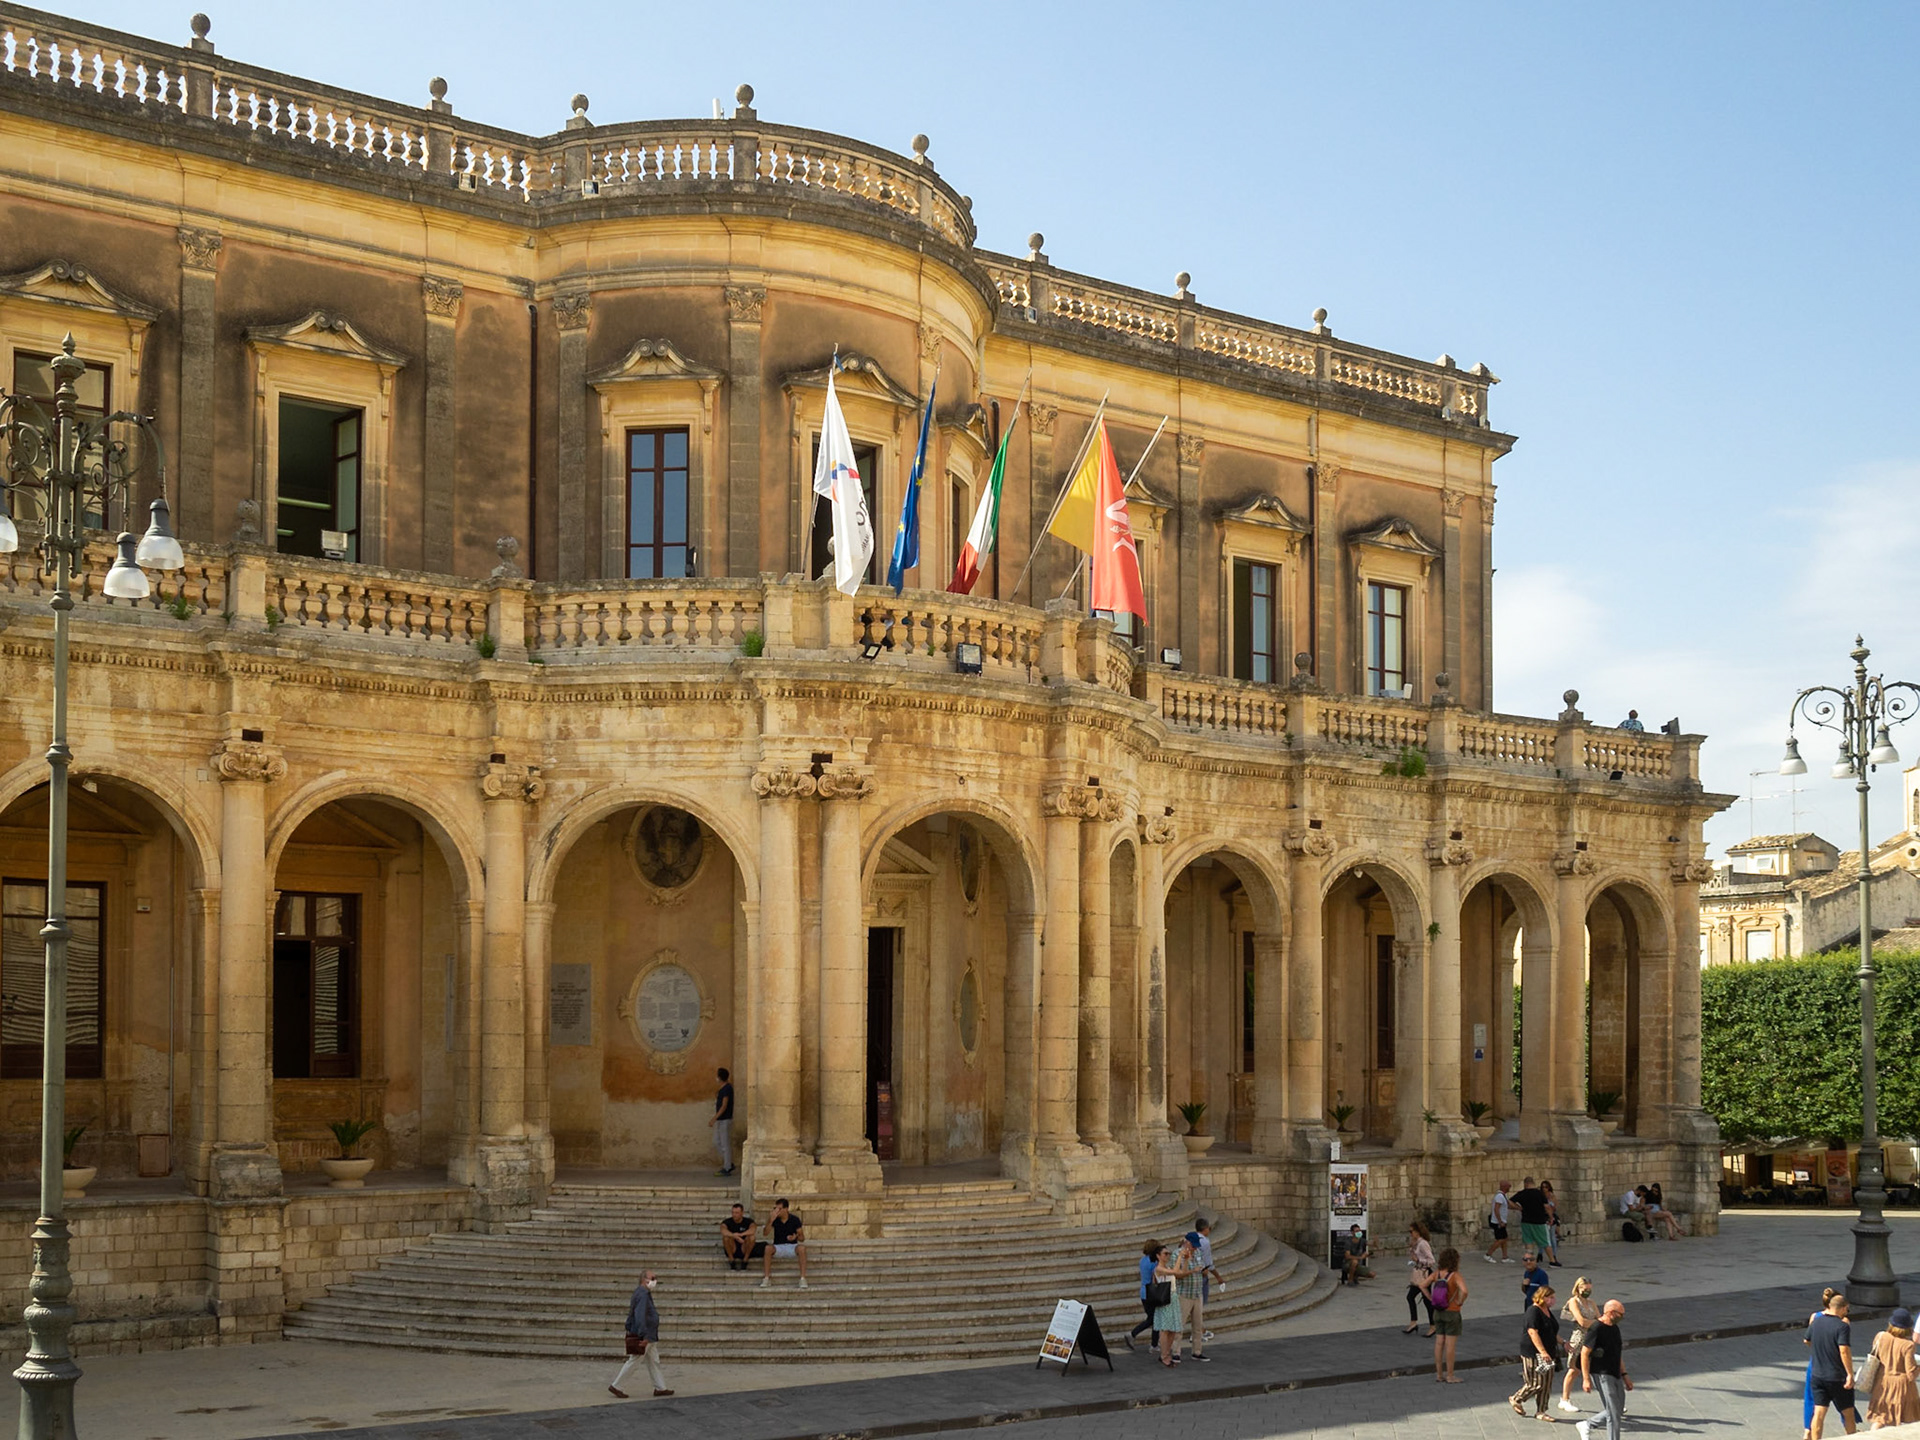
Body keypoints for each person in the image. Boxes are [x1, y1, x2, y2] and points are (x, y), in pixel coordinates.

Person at [608, 1270, 673, 1399]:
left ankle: (660, 1387)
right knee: (635, 1360)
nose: (655, 1280)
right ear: (645, 1279)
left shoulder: (642, 1292)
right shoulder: (643, 1294)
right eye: (653, 1277)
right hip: (645, 1334)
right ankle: (617, 1386)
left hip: (649, 1334)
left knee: (654, 1361)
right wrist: (644, 1336)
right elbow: (640, 1316)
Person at [1807, 1291, 1859, 1440]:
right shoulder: (1842, 1326)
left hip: (1817, 1375)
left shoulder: (1816, 1321)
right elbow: (1844, 1351)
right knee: (1848, 1413)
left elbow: (1807, 1340)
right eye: (1847, 1310)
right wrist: (1850, 1374)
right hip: (1837, 1376)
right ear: (1843, 1308)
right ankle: (1851, 1437)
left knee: (1819, 1413)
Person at [1578, 1300, 1632, 1440]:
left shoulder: (1614, 1328)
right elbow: (1584, 1353)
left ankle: (1588, 1423)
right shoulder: (1596, 1328)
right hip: (1601, 1373)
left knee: (1618, 1409)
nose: (1622, 1317)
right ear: (1611, 1312)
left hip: (1615, 1373)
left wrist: (1625, 1375)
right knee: (1613, 1413)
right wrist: (1586, 1379)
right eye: (1621, 1314)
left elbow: (1617, 1353)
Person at [1511, 1281, 1560, 1421]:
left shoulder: (1547, 1311)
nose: (1553, 1300)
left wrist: (1563, 1342)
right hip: (1533, 1352)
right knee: (1536, 1382)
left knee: (1547, 1383)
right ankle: (1516, 1398)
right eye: (1550, 1297)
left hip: (1549, 1352)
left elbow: (1550, 1331)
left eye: (1553, 1297)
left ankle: (1541, 1411)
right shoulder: (1533, 1311)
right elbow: (1533, 1332)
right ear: (1542, 1297)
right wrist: (1542, 1352)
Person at [1866, 1306, 1919, 1428]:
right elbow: (1911, 1374)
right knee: (1907, 1420)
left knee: (1881, 1418)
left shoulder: (1880, 1336)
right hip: (1902, 1387)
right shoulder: (1908, 1345)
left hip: (1882, 1382)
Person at [1421, 1246, 1468, 1383]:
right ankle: (1450, 1375)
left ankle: (1439, 1374)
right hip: (1452, 1311)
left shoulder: (1437, 1274)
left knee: (1439, 1342)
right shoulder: (1455, 1276)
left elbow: (1422, 1285)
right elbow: (1464, 1291)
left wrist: (1430, 1298)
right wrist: (1460, 1301)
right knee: (1450, 1345)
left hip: (1438, 1311)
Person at [1804, 1287, 1843, 1440]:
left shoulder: (1815, 1316)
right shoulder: (1843, 1321)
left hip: (1815, 1362)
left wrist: (1817, 1349)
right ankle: (1851, 1429)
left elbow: (1808, 1340)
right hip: (1833, 1366)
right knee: (1845, 1404)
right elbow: (1843, 1348)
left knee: (1812, 1400)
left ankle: (1808, 1432)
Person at [1559, 1277, 1600, 1413]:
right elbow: (1581, 1321)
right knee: (1575, 1369)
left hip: (1593, 1337)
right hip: (1579, 1338)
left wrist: (1597, 1323)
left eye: (1589, 1289)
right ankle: (1565, 1399)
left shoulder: (1591, 1303)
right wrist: (1597, 1324)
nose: (1587, 1291)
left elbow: (1599, 1317)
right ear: (1578, 1288)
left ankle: (1610, 1402)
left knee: (1598, 1369)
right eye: (1585, 1289)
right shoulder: (1573, 1301)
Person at [1184, 1218, 1223, 1358]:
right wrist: (1218, 1277)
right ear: (1205, 1229)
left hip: (1190, 1278)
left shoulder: (1188, 1238)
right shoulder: (1204, 1242)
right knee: (1198, 1305)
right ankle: (1197, 1331)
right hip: (1199, 1277)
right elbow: (1208, 1263)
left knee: (1195, 1306)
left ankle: (1201, 1330)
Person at [1151, 1241, 1190, 1368]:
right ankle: (1164, 1355)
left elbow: (1180, 1273)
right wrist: (1179, 1257)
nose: (1167, 1256)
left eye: (1168, 1253)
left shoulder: (1166, 1268)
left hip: (1172, 1297)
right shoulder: (1159, 1268)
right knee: (1165, 1329)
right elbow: (1175, 1271)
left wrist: (1186, 1260)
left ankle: (1166, 1353)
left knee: (1173, 1328)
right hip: (1165, 1297)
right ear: (1158, 1255)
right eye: (1165, 1254)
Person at [758, 1198, 808, 1289]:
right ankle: (766, 1278)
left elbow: (802, 1238)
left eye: (780, 1209)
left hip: (792, 1246)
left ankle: (803, 1278)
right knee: (767, 1248)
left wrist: (795, 1237)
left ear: (786, 1209)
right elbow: (765, 1233)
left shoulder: (794, 1219)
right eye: (776, 1208)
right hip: (778, 1246)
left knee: (802, 1248)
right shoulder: (775, 1219)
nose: (777, 1211)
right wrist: (771, 1220)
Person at [1404, 1219, 1437, 1335]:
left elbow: (1431, 1260)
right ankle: (1414, 1322)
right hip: (1418, 1273)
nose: (1410, 1234)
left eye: (1411, 1231)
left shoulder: (1423, 1244)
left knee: (1427, 1301)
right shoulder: (1416, 1243)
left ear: (1418, 1232)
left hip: (1424, 1275)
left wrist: (1418, 1260)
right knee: (1411, 1297)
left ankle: (1433, 1325)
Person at [1127, 1239, 1161, 1351]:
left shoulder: (1143, 1260)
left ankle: (1154, 1343)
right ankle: (1135, 1334)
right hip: (1151, 1292)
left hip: (1144, 1292)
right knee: (1154, 1319)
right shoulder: (1154, 1262)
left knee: (1153, 1318)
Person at [1514, 1177, 1554, 1261]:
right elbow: (1547, 1207)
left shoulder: (1522, 1193)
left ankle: (1530, 1258)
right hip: (1539, 1221)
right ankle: (1552, 1261)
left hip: (1526, 1221)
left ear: (1525, 1184)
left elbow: (1509, 1202)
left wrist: (1518, 1208)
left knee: (1528, 1241)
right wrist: (1551, 1217)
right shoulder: (1539, 1193)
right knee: (1545, 1242)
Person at [710, 1067, 735, 1176]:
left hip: (724, 1119)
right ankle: (728, 1162)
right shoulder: (723, 1088)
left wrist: (714, 1118)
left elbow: (724, 1105)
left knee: (724, 1144)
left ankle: (727, 1167)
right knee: (716, 1141)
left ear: (720, 1077)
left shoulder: (727, 1089)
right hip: (720, 1120)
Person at [719, 1201, 755, 1271]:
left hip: (744, 1246)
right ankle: (731, 1260)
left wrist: (741, 1234)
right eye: (733, 1213)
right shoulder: (727, 1222)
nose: (734, 1215)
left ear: (742, 1213)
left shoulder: (748, 1221)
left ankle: (745, 1260)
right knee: (726, 1237)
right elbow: (723, 1230)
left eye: (737, 1213)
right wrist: (734, 1236)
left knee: (752, 1237)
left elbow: (753, 1229)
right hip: (732, 1247)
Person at [1487, 1180, 1514, 1263]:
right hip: (1498, 1222)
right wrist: (1500, 1221)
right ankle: (1488, 1254)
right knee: (1500, 1239)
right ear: (1504, 1186)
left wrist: (1518, 1208)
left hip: (1501, 1221)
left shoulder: (1503, 1196)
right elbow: (1496, 1208)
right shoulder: (1499, 1196)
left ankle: (1505, 1257)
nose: (1510, 1188)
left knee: (1504, 1238)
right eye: (1509, 1186)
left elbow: (1508, 1205)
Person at [1540, 1180, 1565, 1266]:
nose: (1544, 1189)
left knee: (1552, 1237)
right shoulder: (1540, 1196)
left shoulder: (1552, 1196)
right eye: (1543, 1187)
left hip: (1551, 1217)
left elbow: (1555, 1207)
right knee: (1542, 1236)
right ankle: (1540, 1253)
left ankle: (1553, 1255)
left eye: (1546, 1187)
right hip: (1542, 1217)